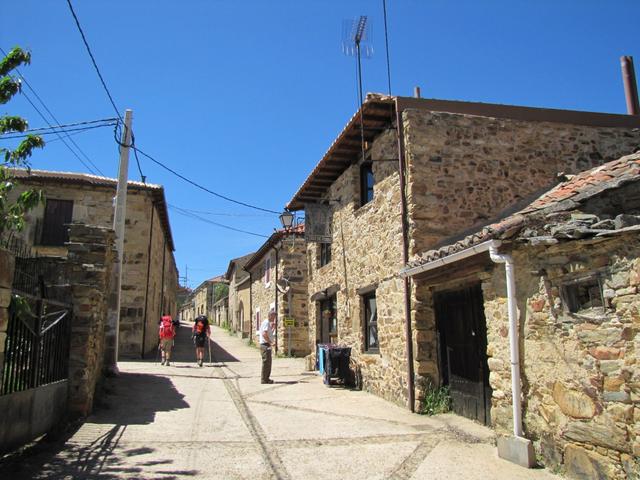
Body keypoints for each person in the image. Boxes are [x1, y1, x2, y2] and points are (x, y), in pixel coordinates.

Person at [258, 309, 276, 384]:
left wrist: (272, 328)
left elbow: (267, 333)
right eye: (273, 316)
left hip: (266, 345)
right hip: (265, 345)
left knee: (268, 363)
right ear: (270, 315)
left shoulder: (267, 323)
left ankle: (266, 379)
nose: (274, 318)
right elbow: (264, 334)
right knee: (266, 363)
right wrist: (271, 342)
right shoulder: (266, 322)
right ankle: (264, 379)